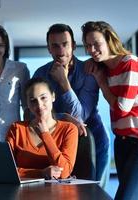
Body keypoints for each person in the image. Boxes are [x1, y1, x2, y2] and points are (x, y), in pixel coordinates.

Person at [81, 21, 138, 200]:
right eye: (88, 45)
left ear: (109, 40)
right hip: (122, 141)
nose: (92, 49)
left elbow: (121, 109)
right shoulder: (105, 67)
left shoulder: (130, 63)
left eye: (96, 43)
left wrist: (101, 82)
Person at [33, 23, 110, 186]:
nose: (60, 51)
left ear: (73, 46)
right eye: (55, 46)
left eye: (65, 44)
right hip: (56, 143)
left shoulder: (89, 70)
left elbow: (80, 116)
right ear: (49, 49)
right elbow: (32, 112)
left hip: (90, 142)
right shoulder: (40, 74)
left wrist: (63, 81)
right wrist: (64, 117)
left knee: (90, 193)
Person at [6, 77, 78, 179]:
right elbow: (6, 170)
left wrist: (45, 134)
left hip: (57, 193)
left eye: (43, 98)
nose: (39, 105)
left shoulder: (69, 129)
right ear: (27, 104)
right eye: (33, 100)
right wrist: (41, 173)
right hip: (22, 192)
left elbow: (64, 172)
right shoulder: (16, 129)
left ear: (53, 96)